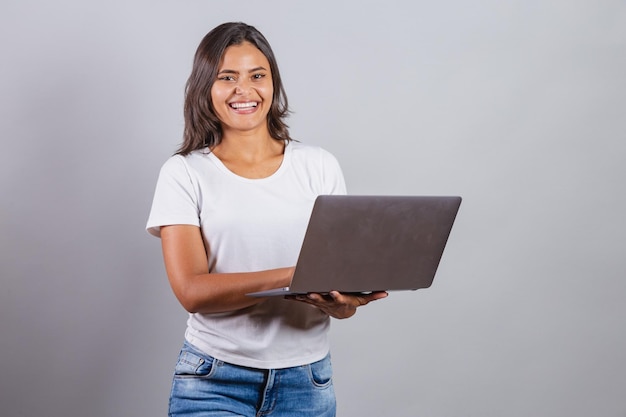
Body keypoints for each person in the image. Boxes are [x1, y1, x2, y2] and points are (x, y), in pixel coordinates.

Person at [146, 21, 387, 417]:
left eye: (257, 75)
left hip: (307, 381)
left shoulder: (319, 166)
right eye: (228, 77)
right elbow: (191, 291)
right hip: (214, 381)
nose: (245, 90)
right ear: (206, 86)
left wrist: (342, 304)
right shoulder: (184, 173)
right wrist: (296, 274)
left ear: (273, 84)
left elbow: (339, 291)